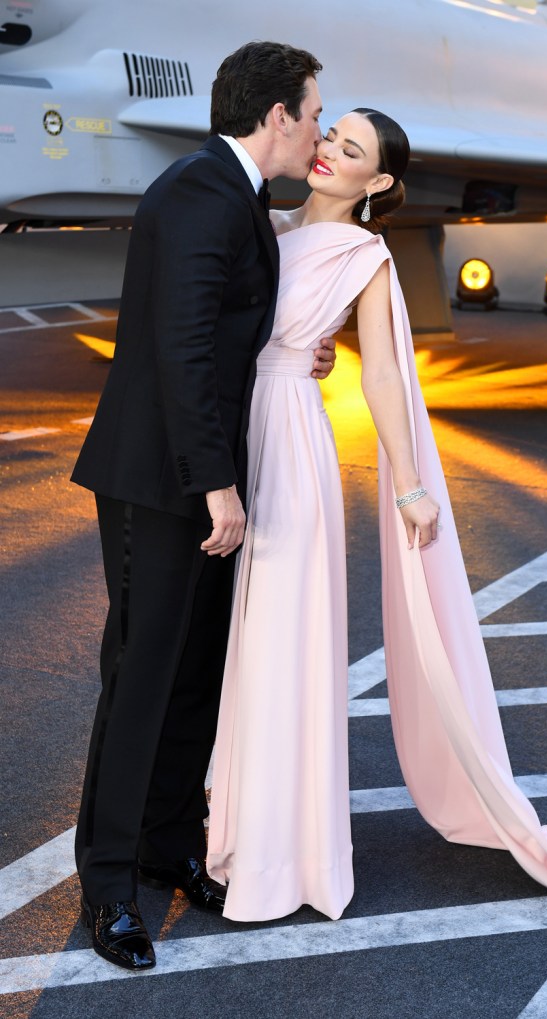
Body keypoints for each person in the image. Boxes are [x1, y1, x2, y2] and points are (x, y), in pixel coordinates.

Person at [206, 108, 547, 922]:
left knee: (282, 635)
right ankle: (232, 819)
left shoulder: (365, 253)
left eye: (353, 150)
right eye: (330, 134)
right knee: (227, 641)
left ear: (376, 182)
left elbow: (383, 378)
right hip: (233, 436)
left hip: (293, 443)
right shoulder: (259, 222)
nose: (330, 151)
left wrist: (412, 485)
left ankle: (286, 850)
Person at [70, 41, 336, 971]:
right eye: (311, 114)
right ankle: (108, 887)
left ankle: (167, 842)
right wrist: (215, 483)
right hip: (162, 482)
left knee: (194, 672)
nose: (316, 132)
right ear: (274, 117)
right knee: (141, 677)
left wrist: (303, 355)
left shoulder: (236, 197)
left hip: (204, 475)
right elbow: (180, 347)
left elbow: (227, 330)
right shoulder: (196, 190)